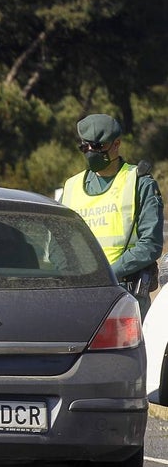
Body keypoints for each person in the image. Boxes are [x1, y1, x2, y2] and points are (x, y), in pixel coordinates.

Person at [61, 114, 163, 318]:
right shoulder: (71, 186)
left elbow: (150, 244)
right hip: (80, 292)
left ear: (116, 144)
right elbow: (57, 241)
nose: (90, 153)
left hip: (125, 293)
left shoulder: (139, 182)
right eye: (84, 147)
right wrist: (72, 277)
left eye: (97, 147)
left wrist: (108, 275)